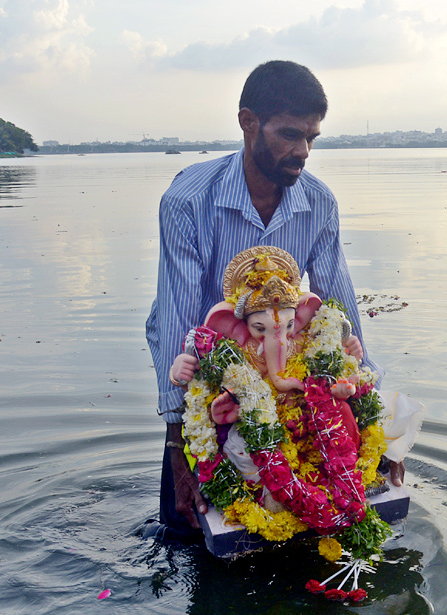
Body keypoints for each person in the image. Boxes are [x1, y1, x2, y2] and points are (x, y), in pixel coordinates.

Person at [145, 61, 371, 543]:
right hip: (212, 401)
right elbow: (174, 322)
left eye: (312, 137)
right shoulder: (190, 201)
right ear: (249, 122)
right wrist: (177, 448)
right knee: (188, 538)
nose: (303, 151)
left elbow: (341, 311)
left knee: (306, 534)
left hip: (287, 400)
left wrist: (375, 422)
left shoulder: (318, 203)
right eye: (290, 135)